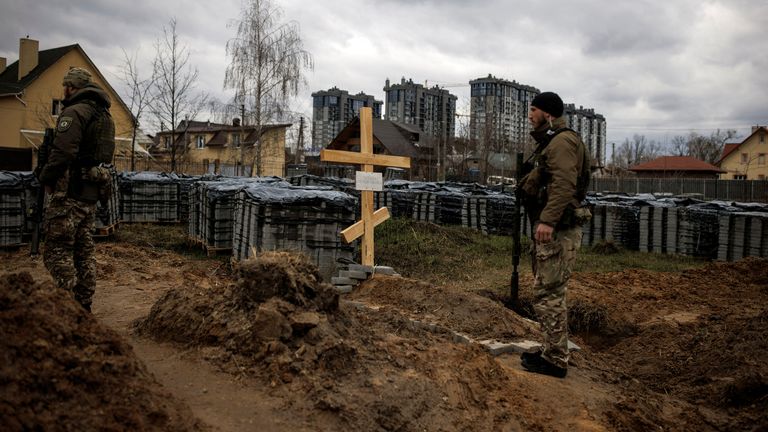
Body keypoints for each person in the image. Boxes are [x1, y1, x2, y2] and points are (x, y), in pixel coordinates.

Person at [519, 91, 591, 378]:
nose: (529, 114)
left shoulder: (562, 142)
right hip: (557, 228)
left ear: (548, 113)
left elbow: (563, 184)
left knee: (547, 294)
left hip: (558, 229)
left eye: (533, 109)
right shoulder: (556, 140)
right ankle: (552, 351)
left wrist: (547, 221)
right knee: (549, 291)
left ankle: (555, 361)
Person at [36, 67, 115, 312]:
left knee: (57, 250)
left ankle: (66, 305)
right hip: (89, 193)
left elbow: (63, 152)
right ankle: (84, 304)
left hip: (70, 192)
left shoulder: (75, 112)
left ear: (72, 87)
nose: (63, 90)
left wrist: (45, 177)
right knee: (84, 251)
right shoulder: (102, 114)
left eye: (65, 85)